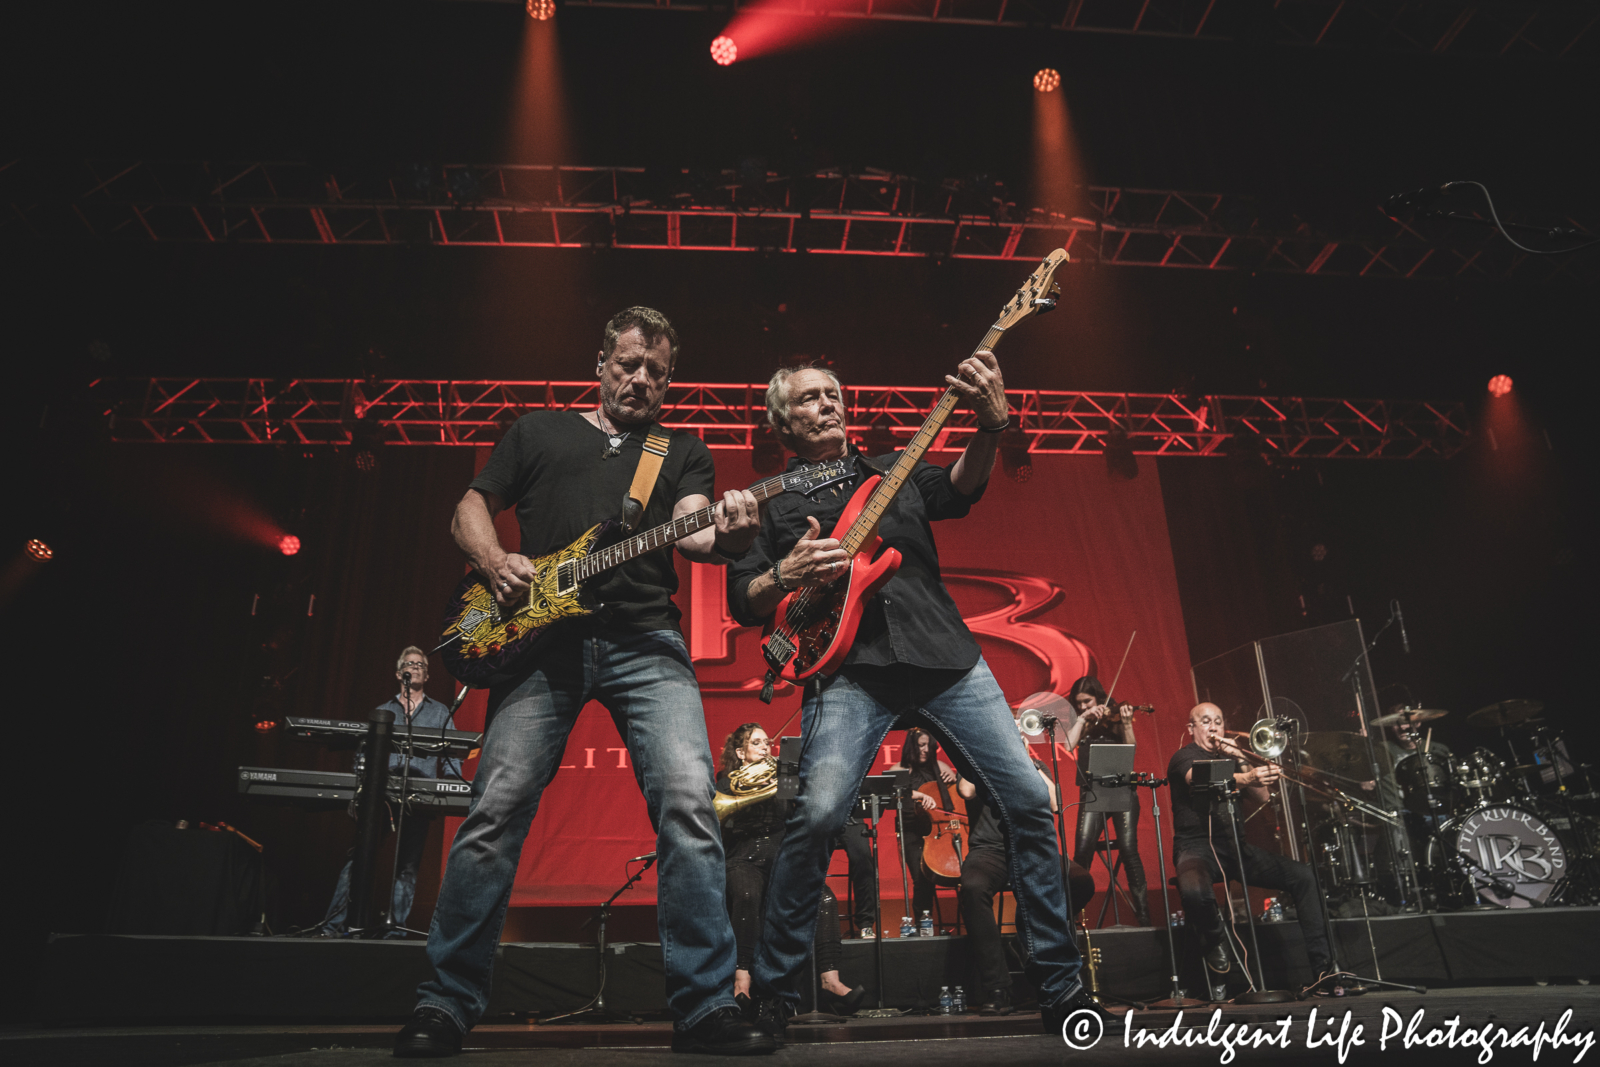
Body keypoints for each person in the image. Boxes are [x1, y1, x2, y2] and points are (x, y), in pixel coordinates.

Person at [397, 308, 774, 1057]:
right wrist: (495, 560)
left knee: (690, 805)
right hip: (541, 644)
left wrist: (732, 531)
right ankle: (444, 1002)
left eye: (657, 372)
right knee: (496, 808)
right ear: (602, 361)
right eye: (630, 364)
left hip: (646, 640)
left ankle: (704, 1007)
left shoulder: (679, 449)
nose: (642, 380)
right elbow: (471, 507)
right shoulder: (538, 431)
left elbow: (695, 530)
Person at [727, 357, 1103, 1043]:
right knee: (814, 818)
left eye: (833, 394)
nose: (827, 405)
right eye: (809, 399)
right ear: (784, 421)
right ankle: (776, 994)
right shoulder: (771, 499)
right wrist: (785, 571)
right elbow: (741, 593)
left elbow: (961, 488)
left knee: (1025, 797)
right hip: (846, 673)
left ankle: (1061, 986)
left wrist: (991, 425)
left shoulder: (892, 470)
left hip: (945, 658)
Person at [1167, 703, 1331, 994]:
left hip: (1235, 848)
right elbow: (1200, 781)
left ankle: (1324, 971)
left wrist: (1241, 757)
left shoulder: (1232, 758)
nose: (1214, 727)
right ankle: (1217, 939)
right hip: (1196, 848)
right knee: (1193, 891)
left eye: (1218, 721)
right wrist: (1248, 777)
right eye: (1206, 721)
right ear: (1192, 729)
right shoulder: (1185, 756)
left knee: (1303, 876)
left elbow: (1263, 796)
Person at [718, 725, 863, 1015]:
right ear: (740, 752)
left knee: (824, 899)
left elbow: (791, 813)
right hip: (744, 857)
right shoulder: (727, 781)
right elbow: (721, 816)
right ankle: (741, 979)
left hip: (781, 856)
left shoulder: (781, 779)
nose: (764, 747)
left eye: (767, 742)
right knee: (747, 894)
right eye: (756, 743)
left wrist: (790, 780)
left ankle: (830, 980)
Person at [319, 646, 462, 937]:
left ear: (428, 674)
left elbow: (452, 753)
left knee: (407, 866)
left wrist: (452, 785)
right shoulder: (383, 711)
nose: (416, 667)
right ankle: (334, 927)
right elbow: (363, 753)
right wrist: (361, 786)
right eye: (410, 664)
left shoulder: (439, 712)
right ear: (399, 673)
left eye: (421, 664)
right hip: (380, 796)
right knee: (359, 859)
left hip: (418, 798)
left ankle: (394, 930)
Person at [956, 727, 1096, 1015]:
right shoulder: (978, 759)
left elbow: (1055, 802)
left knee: (1080, 881)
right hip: (990, 850)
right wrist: (992, 750)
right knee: (972, 888)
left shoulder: (1031, 763)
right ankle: (997, 986)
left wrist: (1022, 757)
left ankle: (1028, 935)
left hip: (1031, 848)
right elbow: (965, 789)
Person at [1063, 675, 1151, 926]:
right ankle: (1073, 916)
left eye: (1087, 701)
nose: (1082, 706)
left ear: (1098, 698)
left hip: (1122, 789)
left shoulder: (1114, 713)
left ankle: (1144, 916)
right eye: (1078, 703)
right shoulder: (1082, 719)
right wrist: (1082, 719)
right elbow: (1069, 745)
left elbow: (1130, 750)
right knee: (1082, 851)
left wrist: (1126, 724)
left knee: (1128, 848)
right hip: (1093, 792)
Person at [888, 727, 958, 930]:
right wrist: (918, 795)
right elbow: (892, 795)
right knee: (922, 877)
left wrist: (952, 782)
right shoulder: (899, 770)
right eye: (921, 745)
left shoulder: (941, 767)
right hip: (911, 831)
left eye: (929, 745)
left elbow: (956, 799)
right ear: (912, 746)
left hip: (939, 831)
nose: (926, 749)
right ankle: (923, 926)